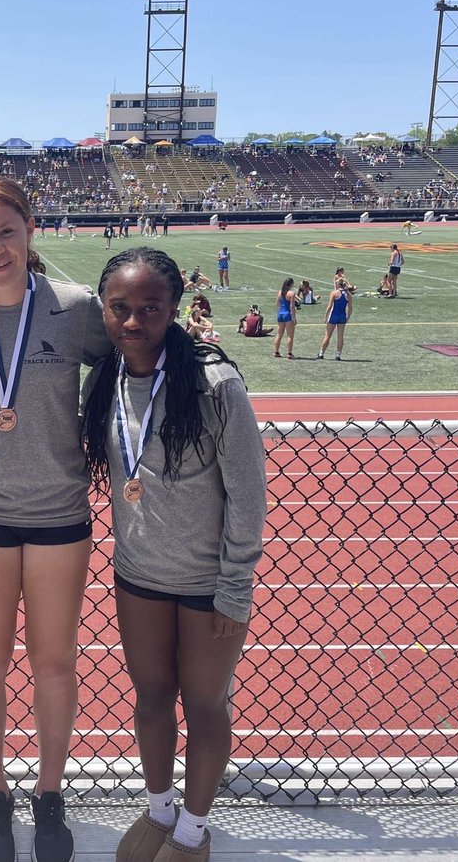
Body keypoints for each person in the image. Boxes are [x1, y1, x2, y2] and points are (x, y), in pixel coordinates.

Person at [0, 175, 110, 862]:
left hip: (61, 511)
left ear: (31, 228)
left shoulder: (75, 306)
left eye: (6, 231)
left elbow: (130, 362)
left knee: (55, 662)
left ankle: (50, 792)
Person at [80, 247, 266, 862]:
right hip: (139, 575)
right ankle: (160, 813)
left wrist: (234, 586)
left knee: (207, 703)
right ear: (103, 311)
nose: (133, 321)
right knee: (153, 698)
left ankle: (191, 831)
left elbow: (247, 495)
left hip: (209, 582)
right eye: (121, 308)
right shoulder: (104, 378)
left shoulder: (214, 383)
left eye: (150, 308)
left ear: (174, 310)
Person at [318, 278, 353, 361]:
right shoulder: (348, 295)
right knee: (340, 336)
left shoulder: (334, 293)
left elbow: (329, 306)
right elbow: (350, 308)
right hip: (342, 316)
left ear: (338, 284)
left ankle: (321, 353)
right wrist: (347, 317)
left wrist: (325, 316)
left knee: (328, 335)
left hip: (334, 316)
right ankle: (338, 354)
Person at [272, 277, 298, 359]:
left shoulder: (280, 292)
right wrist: (294, 318)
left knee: (279, 334)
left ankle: (276, 351)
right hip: (287, 315)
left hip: (280, 314)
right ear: (291, 284)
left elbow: (277, 304)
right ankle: (289, 353)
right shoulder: (291, 294)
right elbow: (292, 307)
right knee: (290, 335)